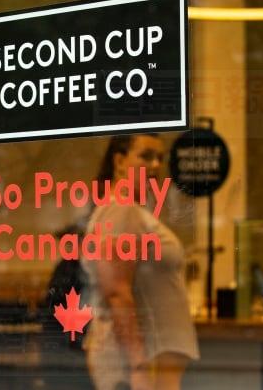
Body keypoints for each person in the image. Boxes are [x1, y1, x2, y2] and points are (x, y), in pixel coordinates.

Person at [82, 134, 199, 390]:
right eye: (145, 156)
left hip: (155, 362)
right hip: (137, 364)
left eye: (160, 158)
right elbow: (116, 292)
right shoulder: (121, 210)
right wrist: (138, 366)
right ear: (120, 161)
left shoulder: (131, 211)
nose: (155, 165)